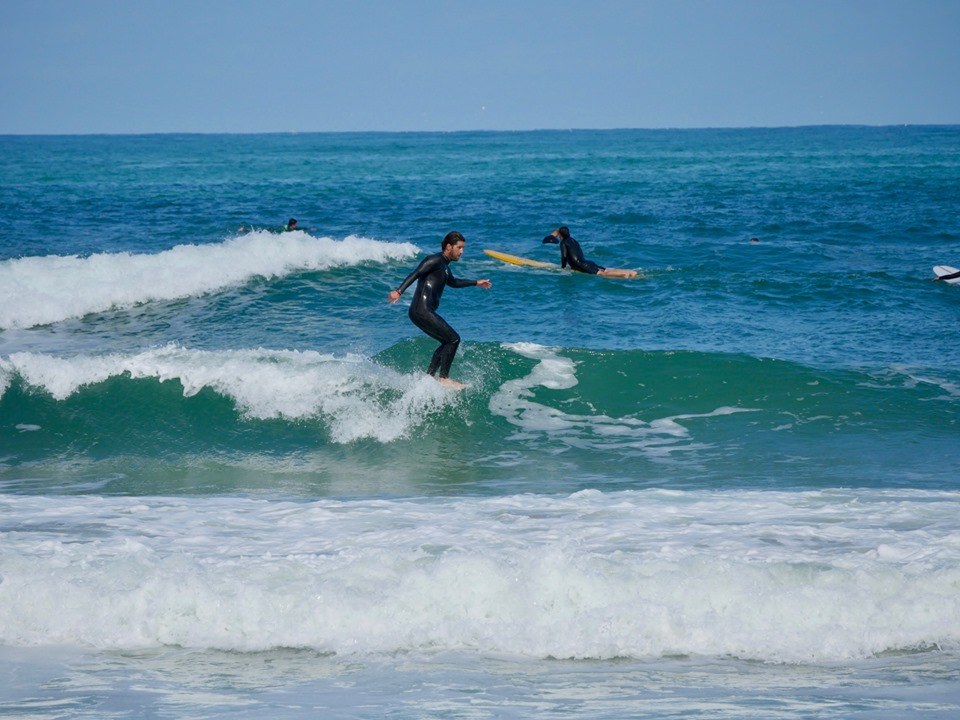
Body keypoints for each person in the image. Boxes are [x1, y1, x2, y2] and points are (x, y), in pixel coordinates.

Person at [388, 231, 492, 387]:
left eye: (463, 248)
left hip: (422, 311)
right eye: (459, 248)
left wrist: (476, 282)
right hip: (421, 310)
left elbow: (454, 283)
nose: (462, 252)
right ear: (449, 247)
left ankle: (429, 377)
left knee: (446, 342)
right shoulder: (435, 260)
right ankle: (443, 377)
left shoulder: (445, 267)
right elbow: (416, 273)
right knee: (454, 339)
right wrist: (399, 291)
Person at [542, 226, 637, 278]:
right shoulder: (574, 240)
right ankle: (631, 272)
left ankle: (623, 275)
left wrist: (563, 267)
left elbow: (564, 256)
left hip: (581, 265)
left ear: (560, 235)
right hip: (587, 262)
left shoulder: (563, 242)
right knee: (605, 269)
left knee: (602, 274)